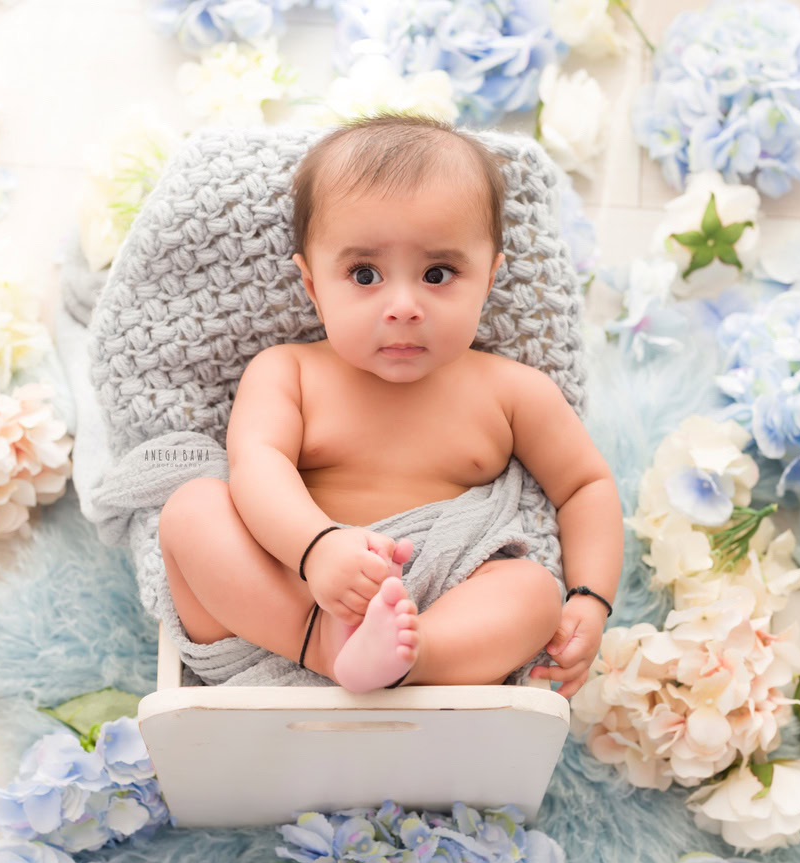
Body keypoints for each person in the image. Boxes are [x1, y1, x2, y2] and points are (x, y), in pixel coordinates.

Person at [157, 111, 622, 695]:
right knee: (193, 509)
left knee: (531, 591)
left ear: (489, 277)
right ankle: (331, 646)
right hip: (284, 603)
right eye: (365, 272)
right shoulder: (289, 372)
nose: (403, 305)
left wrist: (591, 597)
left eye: (437, 272)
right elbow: (258, 467)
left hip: (437, 601)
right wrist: (316, 548)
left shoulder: (513, 391)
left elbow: (585, 487)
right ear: (311, 286)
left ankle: (408, 656)